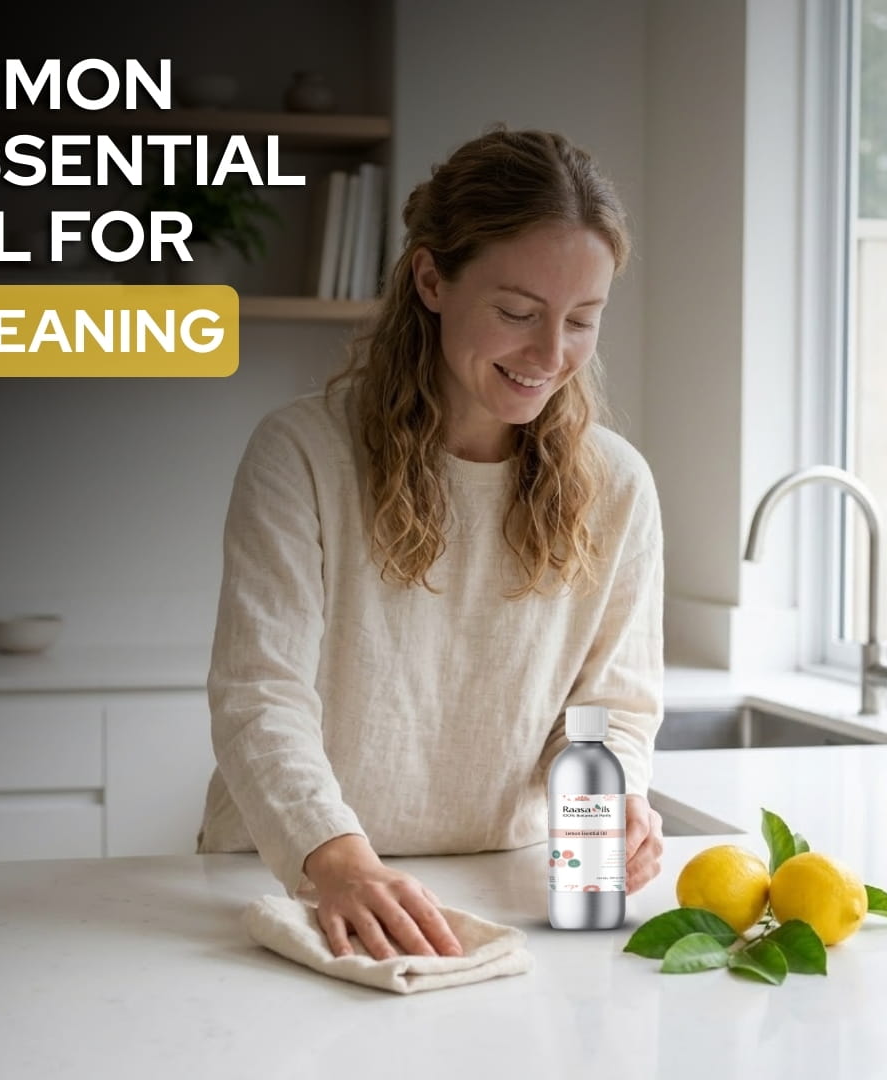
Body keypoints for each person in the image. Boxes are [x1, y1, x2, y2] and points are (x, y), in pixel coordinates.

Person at [197, 125, 664, 961]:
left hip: (500, 890)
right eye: (518, 313)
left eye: (582, 321)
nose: (551, 355)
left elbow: (614, 711)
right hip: (301, 882)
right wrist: (337, 860)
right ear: (430, 279)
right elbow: (259, 696)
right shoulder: (303, 454)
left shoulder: (618, 485)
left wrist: (613, 793)